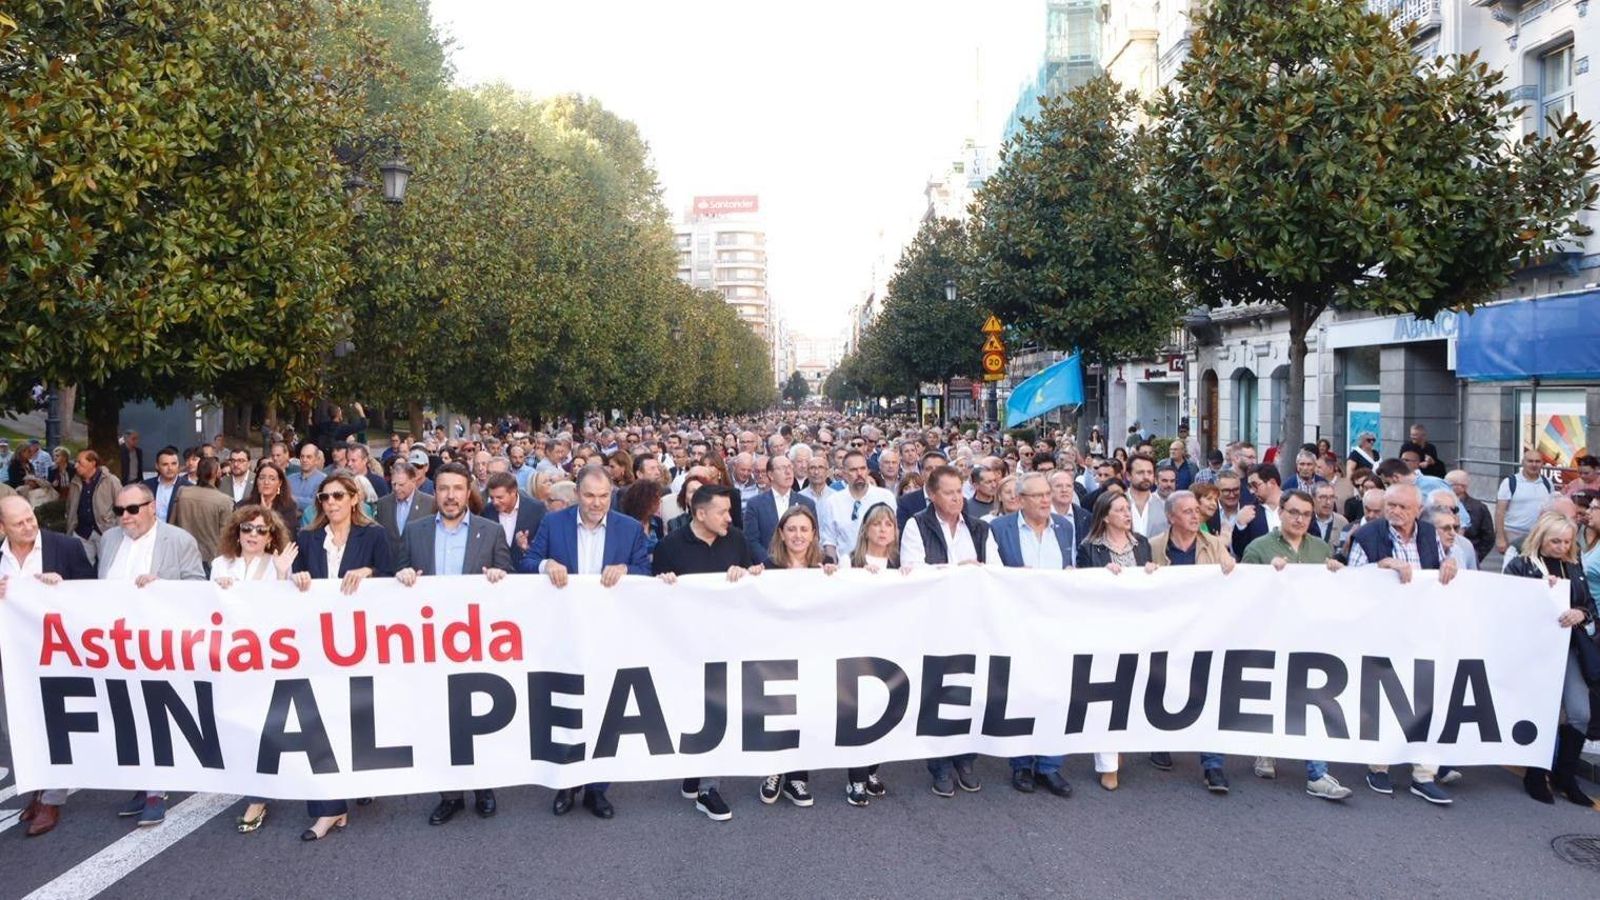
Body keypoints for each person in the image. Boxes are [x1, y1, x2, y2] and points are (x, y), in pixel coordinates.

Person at [394, 462, 511, 826]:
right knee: (438, 720)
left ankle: (484, 788)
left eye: (457, 488)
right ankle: (449, 794)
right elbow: (393, 580)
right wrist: (402, 576)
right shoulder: (413, 533)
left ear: (468, 491)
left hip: (477, 644)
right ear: (435, 491)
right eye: (443, 488)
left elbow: (512, 586)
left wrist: (499, 577)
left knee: (478, 718)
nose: (449, 496)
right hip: (429, 645)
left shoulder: (490, 532)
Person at [289, 472, 394, 840]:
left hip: (361, 642)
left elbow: (393, 578)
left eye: (337, 495)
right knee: (319, 719)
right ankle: (328, 809)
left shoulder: (374, 535)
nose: (330, 502)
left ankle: (358, 779)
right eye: (324, 497)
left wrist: (369, 571)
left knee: (357, 717)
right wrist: (295, 578)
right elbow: (295, 583)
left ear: (354, 498)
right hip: (318, 643)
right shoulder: (307, 538)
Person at [96, 482, 206, 826]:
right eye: (119, 511)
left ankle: (157, 792)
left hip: (160, 647)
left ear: (151, 508)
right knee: (127, 717)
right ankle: (143, 786)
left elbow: (198, 588)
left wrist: (162, 588)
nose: (124, 518)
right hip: (117, 646)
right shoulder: (110, 540)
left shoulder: (178, 540)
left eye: (132, 510)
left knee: (156, 717)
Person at [652, 485, 762, 822]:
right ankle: (695, 767)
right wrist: (663, 581)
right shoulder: (670, 545)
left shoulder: (737, 540)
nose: (730, 517)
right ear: (700, 514)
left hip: (727, 643)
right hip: (684, 644)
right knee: (689, 708)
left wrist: (748, 575)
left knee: (718, 710)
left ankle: (708, 788)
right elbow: (651, 596)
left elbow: (755, 580)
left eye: (730, 511)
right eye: (722, 512)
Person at [1235, 489, 1353, 800]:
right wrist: (1264, 575)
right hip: (1269, 636)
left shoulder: (1320, 548)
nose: (1299, 519)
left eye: (1306, 514)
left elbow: (1333, 597)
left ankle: (1317, 773)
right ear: (1281, 513)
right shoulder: (1259, 548)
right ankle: (1265, 748)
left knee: (1310, 702)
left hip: (1309, 638)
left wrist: (1340, 575)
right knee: (1271, 695)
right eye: (1293, 512)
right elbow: (1242, 594)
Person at [1346, 482, 1460, 804]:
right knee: (1383, 699)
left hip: (1422, 631)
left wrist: (1450, 565)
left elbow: (1439, 571)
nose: (1394, 512)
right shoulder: (1368, 536)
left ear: (1417, 511)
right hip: (1382, 633)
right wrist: (1379, 569)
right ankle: (1378, 767)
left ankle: (1423, 774)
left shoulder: (1428, 534)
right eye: (1390, 505)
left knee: (1426, 697)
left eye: (1402, 507)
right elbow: (1352, 584)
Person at [0, 494, 95, 836]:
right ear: (2, 528)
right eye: (19, 523)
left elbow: (93, 596)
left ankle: (53, 798)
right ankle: (37, 789)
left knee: (55, 724)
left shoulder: (64, 548)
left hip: (54, 656)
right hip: (10, 658)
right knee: (16, 728)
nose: (28, 526)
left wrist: (63, 589)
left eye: (30, 518)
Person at [985, 472, 1076, 798]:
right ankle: (1022, 764)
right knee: (1021, 694)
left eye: (1047, 494)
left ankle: (1050, 765)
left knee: (1055, 694)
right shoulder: (999, 529)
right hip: (1017, 624)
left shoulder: (1064, 528)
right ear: (1020, 500)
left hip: (1055, 625)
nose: (1045, 500)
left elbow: (1072, 571)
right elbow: (991, 575)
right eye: (1036, 495)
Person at [209, 504, 297, 834]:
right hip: (230, 657)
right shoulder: (220, 563)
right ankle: (253, 779)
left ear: (271, 535)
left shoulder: (278, 565)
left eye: (261, 530)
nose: (253, 536)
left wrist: (281, 572)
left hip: (265, 657)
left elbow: (279, 609)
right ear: (237, 531)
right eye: (247, 529)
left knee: (265, 723)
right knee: (237, 722)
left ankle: (258, 796)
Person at [1504, 512, 1600, 806]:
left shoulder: (1574, 565)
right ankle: (1536, 773)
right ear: (1541, 538)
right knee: (1541, 710)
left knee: (1579, 712)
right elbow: (1504, 606)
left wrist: (1580, 613)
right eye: (1555, 540)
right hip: (1533, 650)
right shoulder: (1520, 565)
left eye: (1567, 541)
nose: (1561, 546)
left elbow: (1590, 606)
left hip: (1570, 648)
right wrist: (1540, 593)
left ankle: (1565, 775)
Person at [1149, 490, 1238, 793]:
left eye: (1195, 510)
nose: (1194, 515)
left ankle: (1213, 764)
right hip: (1168, 632)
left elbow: (1235, 578)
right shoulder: (1154, 547)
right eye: (1186, 511)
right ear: (1171, 517)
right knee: (1165, 687)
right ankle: (1160, 742)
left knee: (1208, 692)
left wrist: (1230, 567)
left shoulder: (1213, 545)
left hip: (1206, 631)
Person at [758, 505, 837, 808]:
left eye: (804, 529)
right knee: (779, 712)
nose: (798, 535)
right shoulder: (767, 567)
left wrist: (835, 577)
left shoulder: (825, 566)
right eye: (791, 529)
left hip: (813, 652)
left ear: (814, 534)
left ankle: (797, 777)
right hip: (778, 652)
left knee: (806, 712)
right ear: (781, 533)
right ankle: (774, 770)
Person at [1077, 491, 1154, 791]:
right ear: (1105, 516)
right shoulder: (1089, 549)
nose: (1127, 514)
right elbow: (1084, 587)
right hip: (1105, 629)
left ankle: (1120, 745)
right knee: (1107, 694)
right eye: (1120, 509)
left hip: (1139, 628)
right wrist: (1101, 575)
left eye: (1128, 509)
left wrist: (1152, 572)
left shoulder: (1143, 544)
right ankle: (1107, 763)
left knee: (1132, 691)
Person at [823, 450, 897, 564]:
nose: (859, 473)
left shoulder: (886, 497)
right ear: (844, 473)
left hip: (881, 567)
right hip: (846, 568)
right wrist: (833, 567)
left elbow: (893, 535)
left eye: (862, 468)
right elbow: (829, 541)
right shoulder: (833, 502)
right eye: (853, 470)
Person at [742, 454, 815, 564]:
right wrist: (771, 563)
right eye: (782, 468)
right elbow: (751, 541)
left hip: (801, 567)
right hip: (767, 569)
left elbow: (813, 537)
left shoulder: (807, 503)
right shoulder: (755, 504)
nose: (788, 472)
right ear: (770, 475)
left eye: (790, 467)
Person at [172, 457, 235, 572]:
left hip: (183, 556)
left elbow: (172, 525)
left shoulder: (182, 492)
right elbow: (226, 536)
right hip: (209, 560)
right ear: (217, 473)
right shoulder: (224, 500)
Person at [66, 449, 122, 559]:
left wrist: (118, 529)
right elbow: (70, 506)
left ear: (93, 463)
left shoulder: (111, 481)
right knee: (82, 569)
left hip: (105, 531)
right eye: (76, 462)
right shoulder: (75, 482)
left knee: (106, 568)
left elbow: (122, 507)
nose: (76, 466)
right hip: (81, 532)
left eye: (80, 463)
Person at [1498, 449, 1555, 556]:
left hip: (1538, 536)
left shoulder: (1548, 484)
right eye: (1530, 461)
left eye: (1537, 461)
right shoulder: (1509, 482)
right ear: (1523, 462)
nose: (1534, 464)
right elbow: (1500, 512)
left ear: (1542, 463)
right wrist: (1500, 538)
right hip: (1513, 535)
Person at [485, 471, 546, 569]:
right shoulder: (487, 511)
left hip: (526, 575)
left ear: (513, 492)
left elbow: (544, 548)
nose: (495, 502)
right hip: (496, 576)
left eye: (500, 497)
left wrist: (526, 548)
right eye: (492, 498)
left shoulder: (536, 510)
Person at [1231, 464, 1283, 561]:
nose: (1251, 491)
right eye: (1249, 486)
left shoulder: (1297, 505)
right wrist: (1240, 525)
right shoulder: (1249, 512)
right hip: (1261, 570)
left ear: (1272, 483)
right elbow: (1240, 551)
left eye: (1255, 485)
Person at [1445, 470, 1496, 563]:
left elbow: (1488, 538)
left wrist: (1476, 555)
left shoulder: (1479, 508)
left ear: (1462, 487)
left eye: (1449, 484)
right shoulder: (1440, 504)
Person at [143, 446, 187, 523]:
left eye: (174, 464)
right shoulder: (145, 486)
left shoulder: (188, 487)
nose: (170, 468)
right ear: (157, 466)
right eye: (165, 464)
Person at [287, 442, 327, 509]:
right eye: (302, 456)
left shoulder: (324, 480)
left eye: (309, 457)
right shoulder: (290, 479)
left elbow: (317, 503)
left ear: (316, 460)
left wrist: (293, 499)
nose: (304, 460)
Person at [1310, 483, 1348, 547]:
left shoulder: (1342, 522)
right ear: (1313, 499)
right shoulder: (1306, 520)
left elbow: (1345, 550)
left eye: (1332, 497)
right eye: (1323, 497)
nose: (1328, 502)